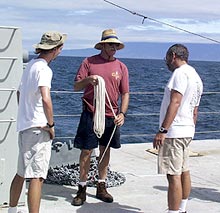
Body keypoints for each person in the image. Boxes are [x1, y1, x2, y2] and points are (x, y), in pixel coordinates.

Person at [8, 31, 67, 213]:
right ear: (56, 49)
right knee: (37, 176)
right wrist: (51, 125)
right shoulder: (44, 69)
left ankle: (11, 210)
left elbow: (19, 93)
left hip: (25, 127)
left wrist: (26, 113)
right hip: (38, 128)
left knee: (21, 172)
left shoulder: (31, 65)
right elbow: (46, 98)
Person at [71, 29, 129, 206]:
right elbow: (76, 86)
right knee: (86, 151)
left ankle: (101, 185)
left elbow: (125, 93)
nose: (114, 48)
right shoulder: (88, 62)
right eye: (111, 44)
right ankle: (82, 187)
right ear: (103, 45)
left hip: (111, 115)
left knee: (105, 151)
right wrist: (88, 80)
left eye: (116, 45)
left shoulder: (121, 67)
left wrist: (122, 114)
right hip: (91, 113)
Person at [153, 44, 203, 213]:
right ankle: (182, 208)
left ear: (173, 55)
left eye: (167, 58)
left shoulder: (179, 74)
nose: (166, 62)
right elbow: (195, 109)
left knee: (173, 174)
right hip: (188, 129)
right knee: (184, 171)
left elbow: (175, 102)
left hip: (175, 132)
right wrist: (191, 128)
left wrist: (163, 130)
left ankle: (173, 211)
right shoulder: (195, 76)